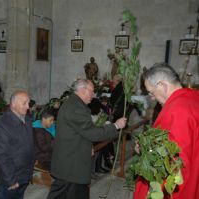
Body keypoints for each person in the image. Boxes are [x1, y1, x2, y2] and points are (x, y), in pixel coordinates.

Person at [47, 79, 127, 199]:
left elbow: (78, 132)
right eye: (92, 91)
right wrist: (115, 126)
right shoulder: (76, 108)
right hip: (71, 166)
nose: (94, 94)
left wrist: (87, 146)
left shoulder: (73, 103)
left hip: (71, 162)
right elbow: (93, 133)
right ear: (83, 90)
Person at [133, 63, 199, 199]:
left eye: (151, 92)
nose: (152, 98)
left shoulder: (176, 110)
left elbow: (174, 161)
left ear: (162, 85)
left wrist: (145, 149)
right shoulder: (193, 96)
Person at [0, 90, 34, 199]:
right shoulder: (3, 126)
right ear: (13, 104)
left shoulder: (27, 119)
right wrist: (10, 180)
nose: (28, 106)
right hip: (12, 177)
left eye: (28, 103)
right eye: (24, 103)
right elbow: (1, 156)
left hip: (24, 173)